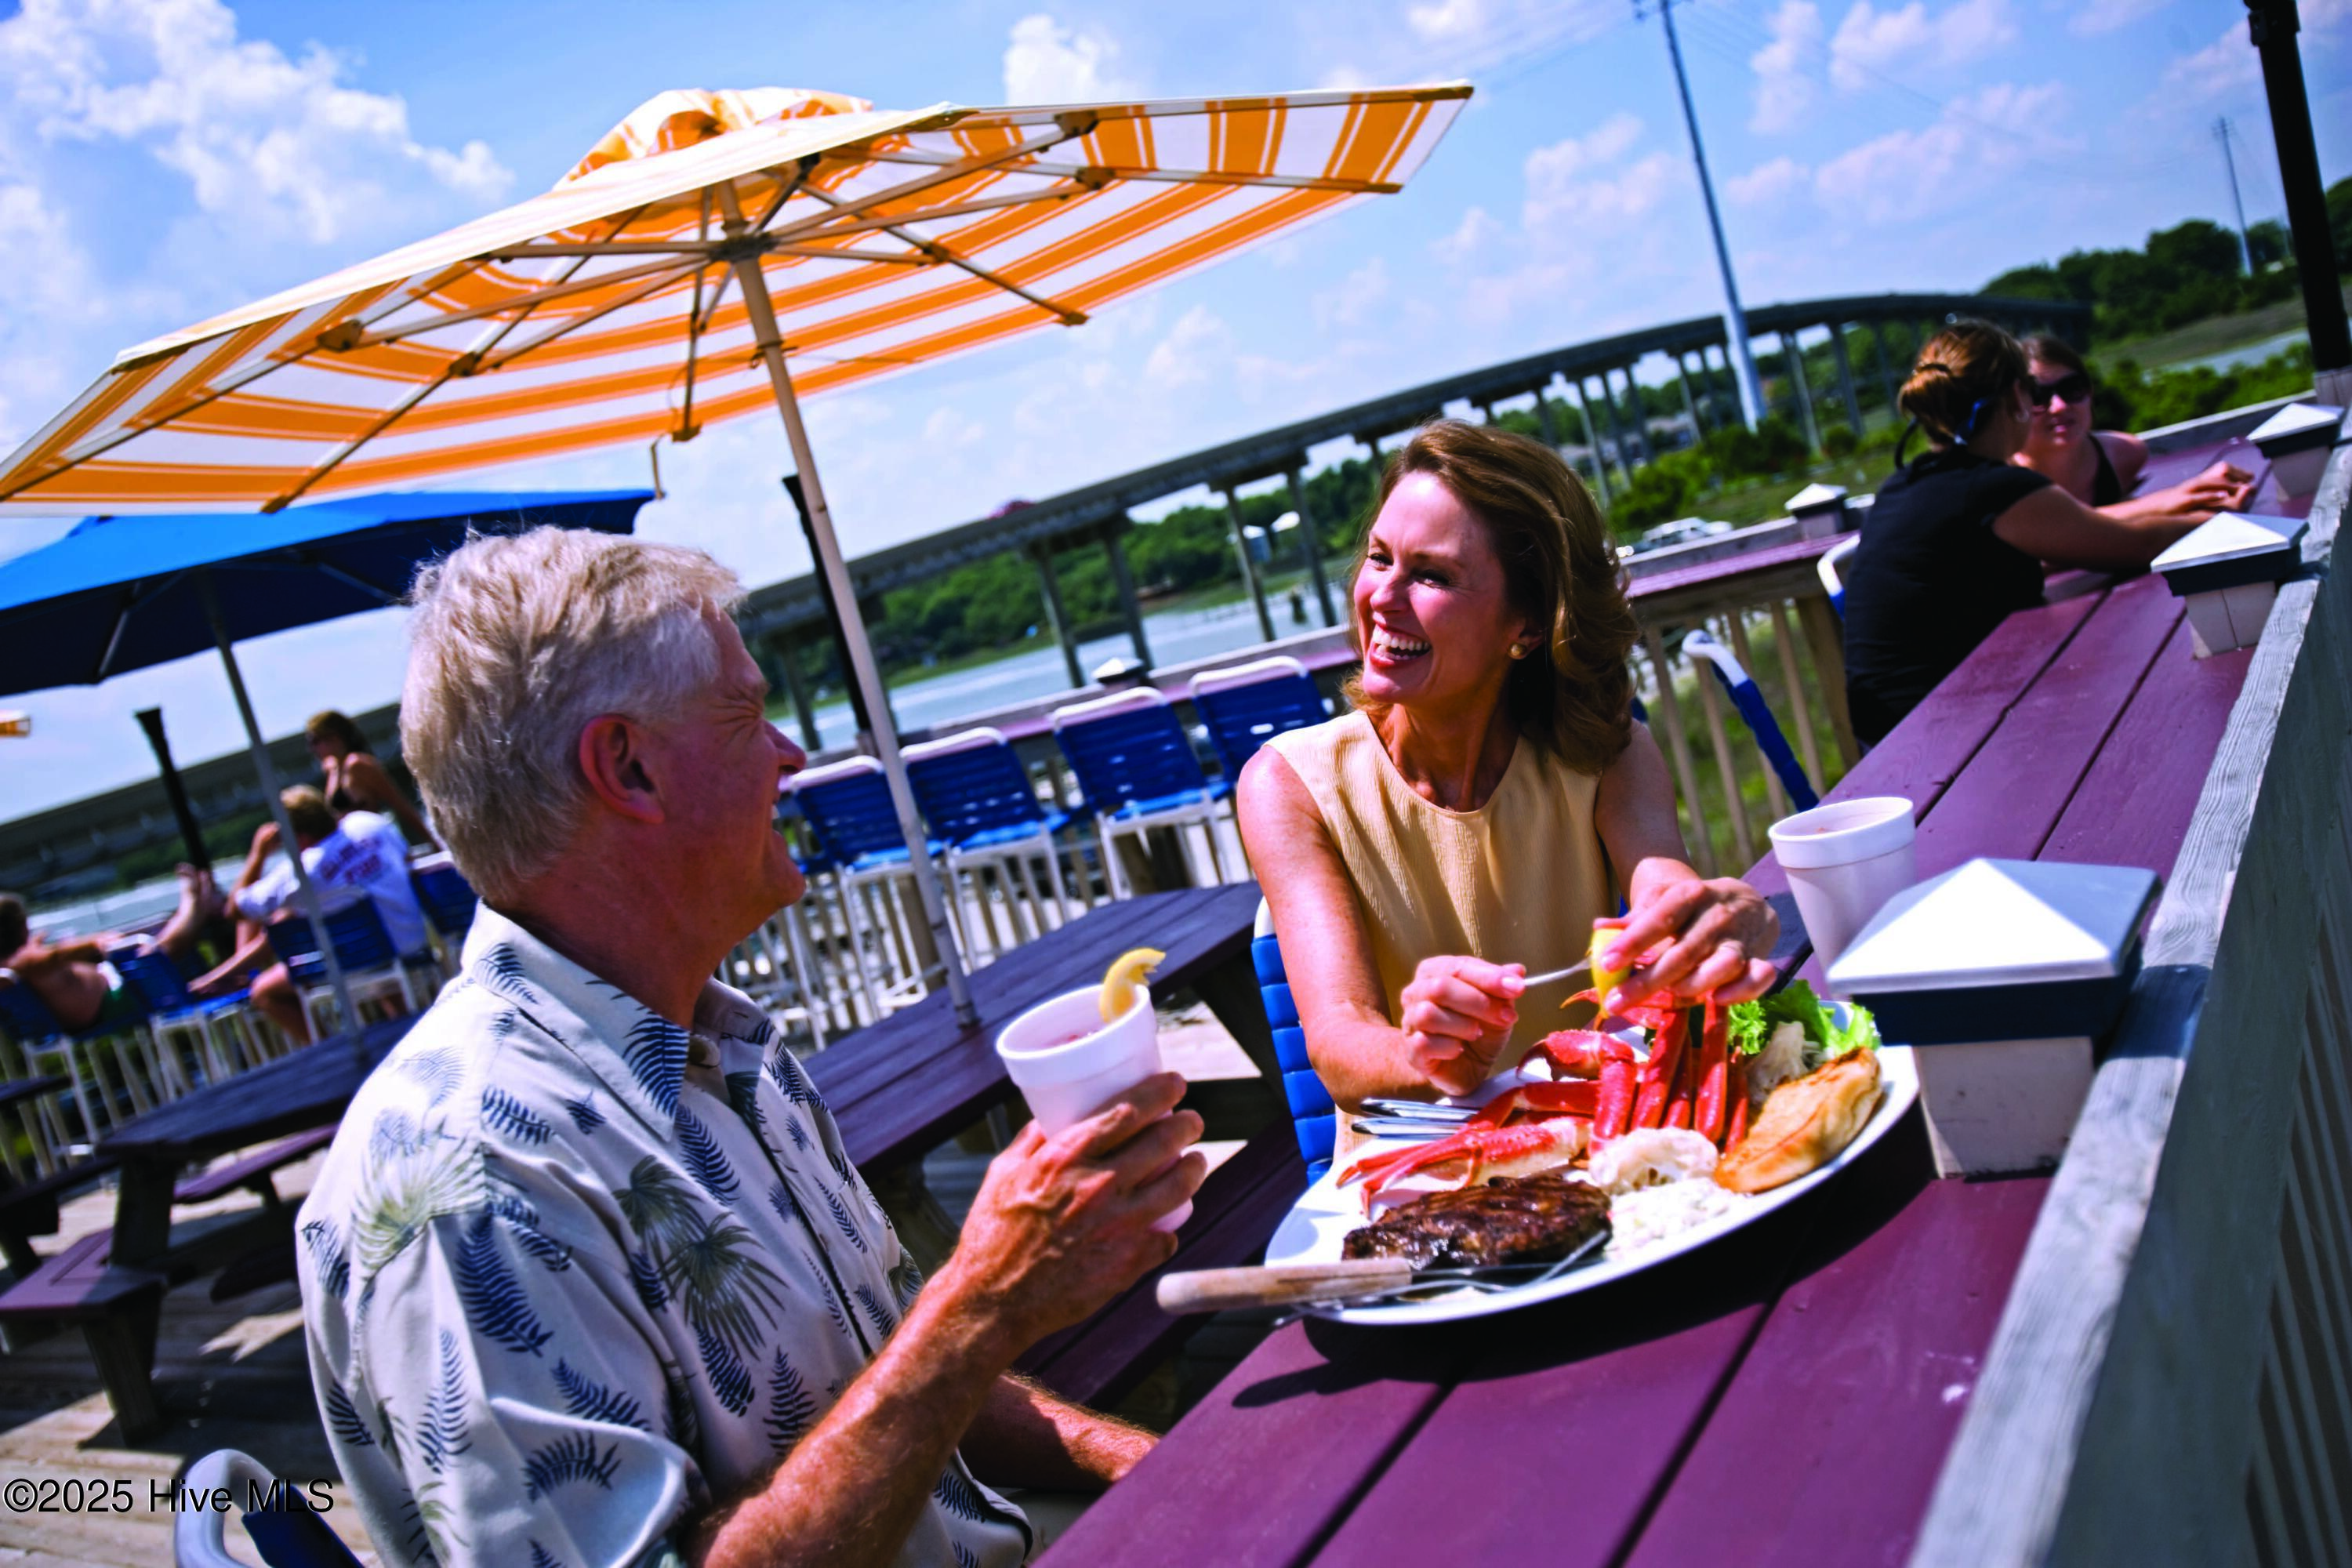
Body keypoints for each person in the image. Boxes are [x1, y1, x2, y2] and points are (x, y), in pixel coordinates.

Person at [297, 528, 1204, 1568]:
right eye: (745, 713)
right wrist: (979, 1308)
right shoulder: (468, 1183)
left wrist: (1149, 1466)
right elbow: (932, 1361)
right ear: (627, 767)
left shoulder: (727, 1052)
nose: (790, 753)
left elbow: (897, 1379)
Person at [1236, 420, 1780, 1112]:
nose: (1382, 597)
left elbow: (1665, 897)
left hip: (1597, 1125)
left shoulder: (1607, 751)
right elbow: (1340, 1040)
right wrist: (1422, 1053)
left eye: (1430, 575)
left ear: (1527, 623)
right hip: (1417, 1156)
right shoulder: (1288, 784)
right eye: (1379, 558)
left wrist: (1720, 922)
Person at [1842, 321, 2246, 747]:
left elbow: (2087, 526)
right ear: (2018, 396)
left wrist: (2180, 501)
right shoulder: (1994, 490)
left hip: (1889, 735)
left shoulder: (1904, 486)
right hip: (1948, 736)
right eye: (2035, 393)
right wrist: (2222, 518)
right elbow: (2130, 545)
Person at [189, 786, 430, 1042]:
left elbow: (235, 910)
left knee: (264, 991)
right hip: (413, 941)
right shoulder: (368, 823)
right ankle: (403, 1031)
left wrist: (258, 855)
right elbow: (405, 856)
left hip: (359, 962)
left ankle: (335, 1048)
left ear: (296, 836)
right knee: (300, 918)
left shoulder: (302, 874)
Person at [2012, 336, 2253, 519]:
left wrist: (2198, 494)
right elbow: (2049, 535)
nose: (2060, 406)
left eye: (2072, 388)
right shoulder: (2002, 481)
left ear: (2090, 391)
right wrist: (2175, 498)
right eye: (2037, 396)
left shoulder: (2125, 454)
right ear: (2010, 409)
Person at [0, 865, 221, 1034]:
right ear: (20, 926)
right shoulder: (23, 959)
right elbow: (56, 954)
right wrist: (94, 942)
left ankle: (192, 909)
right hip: (113, 1002)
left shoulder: (13, 966)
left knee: (145, 947)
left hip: (107, 995)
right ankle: (194, 905)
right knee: (154, 957)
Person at [306, 709, 437, 849]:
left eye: (315, 741)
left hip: (375, 847)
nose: (311, 749)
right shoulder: (332, 768)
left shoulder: (359, 765)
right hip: (352, 851)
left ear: (334, 737)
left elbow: (400, 805)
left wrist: (433, 843)